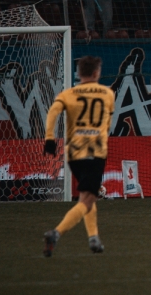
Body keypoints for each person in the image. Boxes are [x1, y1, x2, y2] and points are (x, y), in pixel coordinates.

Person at [43, 56, 114, 256]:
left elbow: (53, 111)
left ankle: (94, 238)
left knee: (87, 195)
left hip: (74, 153)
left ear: (79, 73)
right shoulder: (107, 94)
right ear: (96, 73)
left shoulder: (68, 94)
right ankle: (56, 233)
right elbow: (107, 124)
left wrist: (49, 138)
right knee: (88, 199)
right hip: (95, 151)